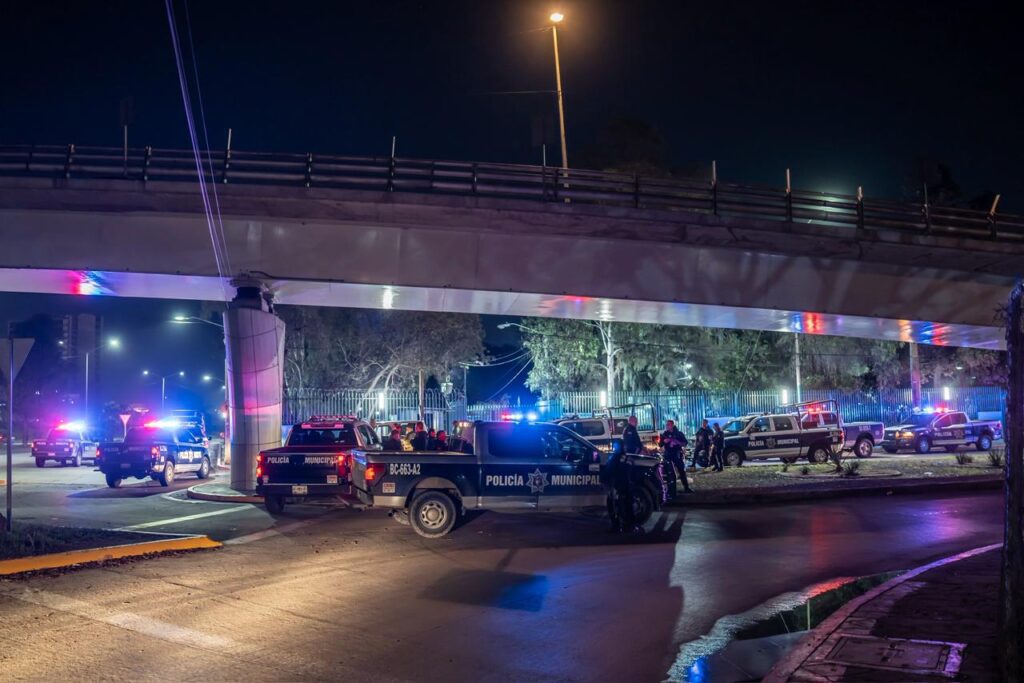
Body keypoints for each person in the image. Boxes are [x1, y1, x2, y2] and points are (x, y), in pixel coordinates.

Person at [660, 419, 691, 493]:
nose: (667, 426)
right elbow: (660, 444)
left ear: (672, 425)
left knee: (681, 470)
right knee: (669, 472)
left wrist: (677, 442)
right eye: (666, 424)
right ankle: (671, 490)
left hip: (677, 454)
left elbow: (685, 443)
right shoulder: (664, 434)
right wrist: (664, 441)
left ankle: (686, 487)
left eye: (668, 424)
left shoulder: (679, 433)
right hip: (668, 455)